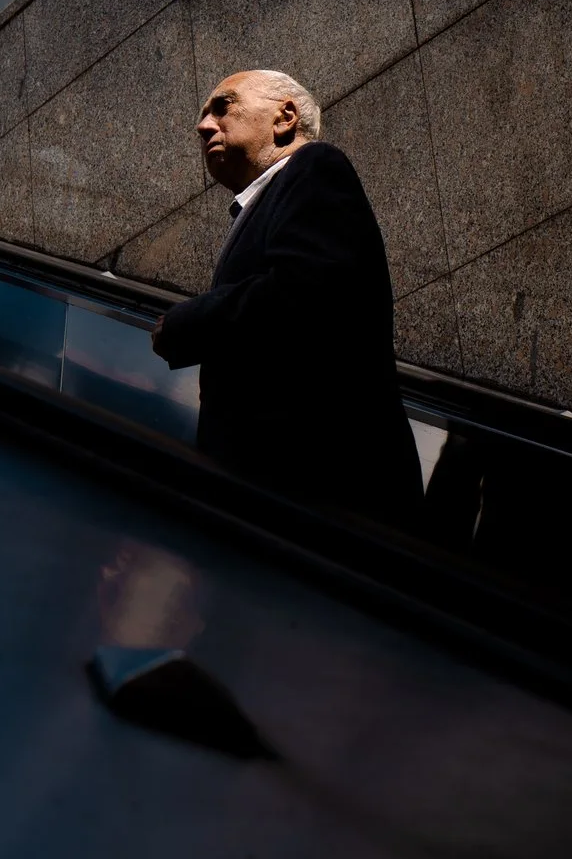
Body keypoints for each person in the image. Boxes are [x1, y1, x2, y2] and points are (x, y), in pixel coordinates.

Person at [151, 69, 421, 523]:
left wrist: (187, 323)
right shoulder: (272, 200)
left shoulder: (315, 168)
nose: (203, 126)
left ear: (285, 117)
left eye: (223, 107)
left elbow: (305, 293)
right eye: (203, 116)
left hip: (321, 494)